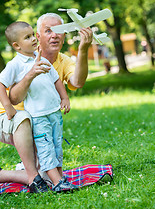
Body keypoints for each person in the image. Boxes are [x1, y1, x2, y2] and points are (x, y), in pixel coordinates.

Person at [0, 13, 93, 188]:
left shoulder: (58, 60)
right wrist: (31, 74)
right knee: (46, 167)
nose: (55, 35)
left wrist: (83, 49)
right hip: (11, 119)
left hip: (44, 117)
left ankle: (37, 171)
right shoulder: (18, 64)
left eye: (59, 31)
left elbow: (75, 82)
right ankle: (28, 175)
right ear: (38, 36)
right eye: (48, 31)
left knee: (54, 153)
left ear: (65, 37)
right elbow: (13, 98)